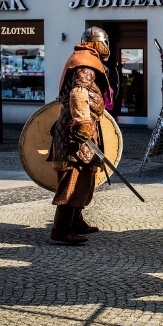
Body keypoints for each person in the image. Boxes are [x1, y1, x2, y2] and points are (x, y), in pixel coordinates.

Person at [47, 27, 112, 244]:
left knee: (85, 174)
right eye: (103, 42)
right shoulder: (86, 63)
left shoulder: (84, 59)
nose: (106, 47)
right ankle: (60, 230)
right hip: (75, 130)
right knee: (73, 178)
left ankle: (76, 220)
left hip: (75, 126)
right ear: (95, 43)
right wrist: (83, 123)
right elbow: (78, 93)